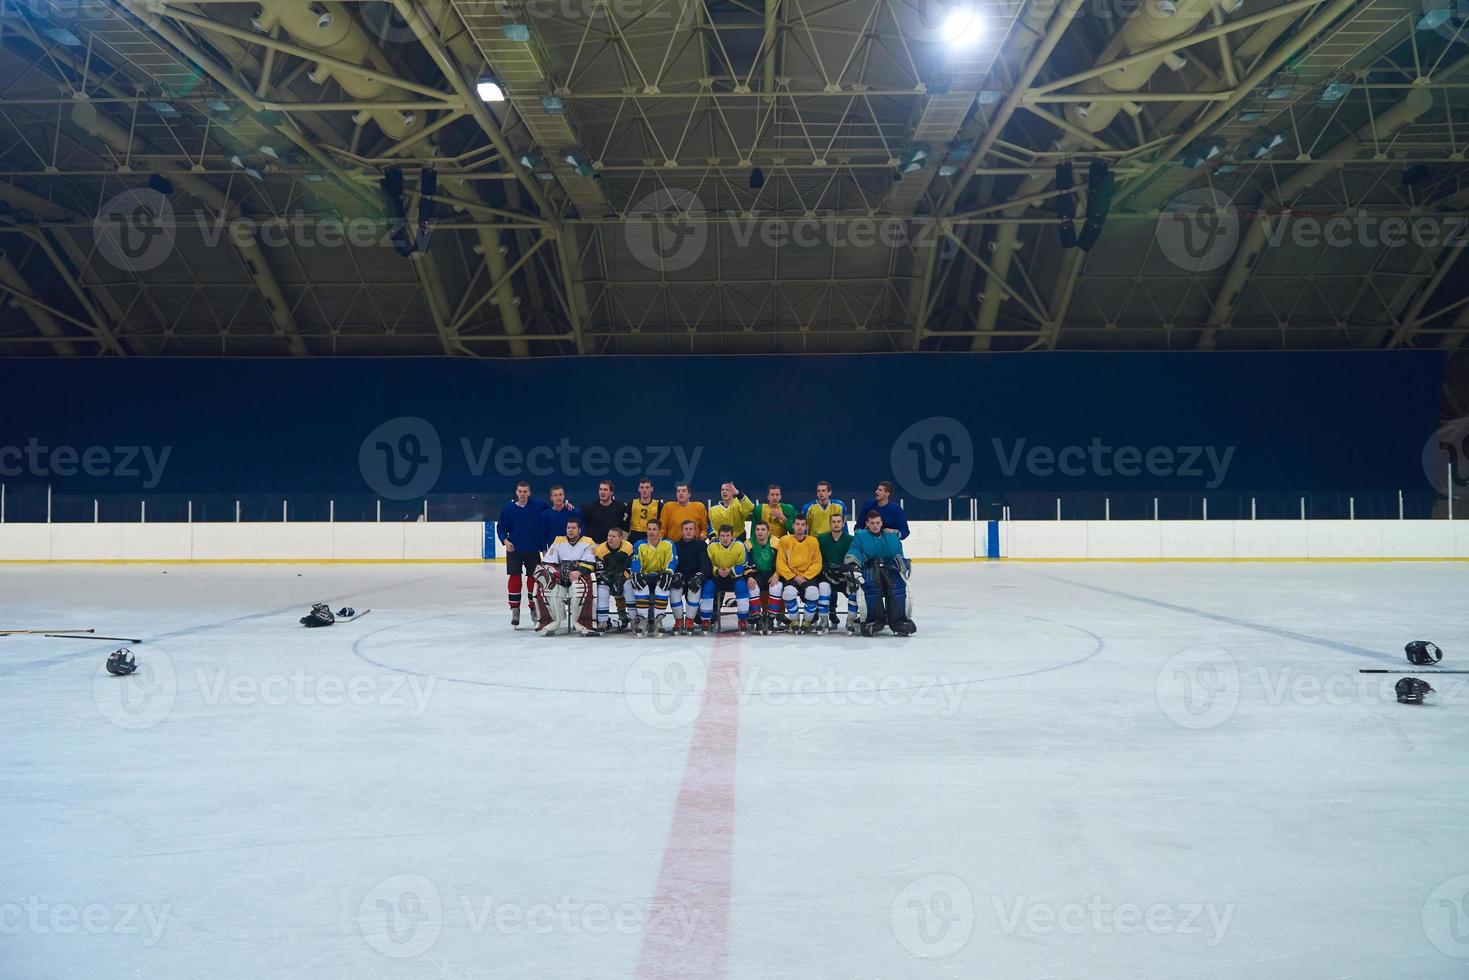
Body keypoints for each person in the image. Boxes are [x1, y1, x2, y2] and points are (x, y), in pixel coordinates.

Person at [845, 510, 916, 636]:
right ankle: (874, 620)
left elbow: (898, 555)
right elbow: (855, 553)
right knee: (872, 586)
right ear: (867, 523)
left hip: (890, 570)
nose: (875, 525)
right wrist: (853, 566)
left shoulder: (891, 537)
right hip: (869, 569)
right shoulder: (861, 536)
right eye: (872, 523)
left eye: (877, 522)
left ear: (881, 523)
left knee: (897, 586)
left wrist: (902, 563)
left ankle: (898, 620)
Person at [532, 517, 596, 636]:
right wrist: (555, 572)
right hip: (561, 577)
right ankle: (553, 621)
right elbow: (549, 562)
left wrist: (578, 572)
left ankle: (582, 622)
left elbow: (591, 563)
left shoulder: (588, 542)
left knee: (579, 590)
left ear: (579, 530)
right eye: (568, 528)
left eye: (573, 528)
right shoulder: (558, 541)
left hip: (579, 576)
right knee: (548, 590)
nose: (570, 530)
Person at [497, 481, 548, 628]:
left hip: (533, 549)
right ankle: (515, 609)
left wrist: (566, 507)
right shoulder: (508, 510)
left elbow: (552, 511)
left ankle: (534, 608)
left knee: (534, 579)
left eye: (525, 491)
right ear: (516, 492)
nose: (523, 494)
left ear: (529, 492)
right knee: (514, 578)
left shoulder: (538, 505)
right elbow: (501, 528)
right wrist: (505, 541)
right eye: (520, 491)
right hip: (514, 550)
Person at [776, 515, 830, 634]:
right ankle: (794, 621)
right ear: (793, 526)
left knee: (813, 593)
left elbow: (817, 563)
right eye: (797, 524)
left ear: (806, 527)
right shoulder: (785, 540)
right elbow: (780, 563)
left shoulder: (813, 541)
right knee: (789, 593)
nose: (800, 527)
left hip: (808, 577)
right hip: (791, 576)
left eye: (802, 525)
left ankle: (807, 621)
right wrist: (794, 577)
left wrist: (805, 576)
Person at [629, 518, 677, 637]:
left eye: (654, 529)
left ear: (660, 531)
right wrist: (636, 573)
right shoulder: (639, 545)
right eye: (649, 529)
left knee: (663, 586)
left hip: (660, 575)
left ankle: (657, 621)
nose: (651, 532)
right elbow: (636, 561)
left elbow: (672, 561)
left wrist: (668, 572)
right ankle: (643, 621)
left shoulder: (668, 544)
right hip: (645, 575)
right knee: (640, 586)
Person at [702, 525, 751, 632]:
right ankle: (706, 620)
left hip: (735, 578)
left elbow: (744, 564)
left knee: (742, 588)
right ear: (718, 536)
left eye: (727, 536)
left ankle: (742, 619)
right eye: (722, 536)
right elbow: (706, 564)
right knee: (707, 589)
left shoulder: (740, 545)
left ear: (732, 536)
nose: (725, 538)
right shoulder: (711, 547)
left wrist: (731, 570)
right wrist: (716, 570)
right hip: (717, 577)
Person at [670, 519, 713, 634]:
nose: (688, 532)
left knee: (695, 588)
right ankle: (678, 620)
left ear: (695, 531)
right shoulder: (675, 545)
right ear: (681, 531)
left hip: (695, 577)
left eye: (691, 529)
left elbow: (706, 565)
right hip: (680, 577)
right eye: (686, 529)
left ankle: (689, 620)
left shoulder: (701, 545)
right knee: (675, 590)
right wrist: (674, 575)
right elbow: (672, 563)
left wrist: (700, 577)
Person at [817, 511, 858, 632]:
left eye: (839, 522)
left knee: (854, 593)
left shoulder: (850, 539)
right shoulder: (822, 539)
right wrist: (825, 569)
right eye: (833, 522)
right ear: (830, 524)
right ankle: (823, 621)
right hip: (828, 575)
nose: (836, 524)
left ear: (843, 523)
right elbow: (819, 558)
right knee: (823, 590)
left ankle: (850, 620)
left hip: (845, 575)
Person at [593, 526, 635, 633]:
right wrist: (610, 579)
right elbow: (600, 572)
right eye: (609, 536)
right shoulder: (600, 549)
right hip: (607, 578)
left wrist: (621, 579)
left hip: (622, 576)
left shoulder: (628, 547)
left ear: (621, 538)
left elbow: (630, 568)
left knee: (628, 587)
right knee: (602, 591)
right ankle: (602, 621)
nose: (610, 538)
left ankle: (634, 620)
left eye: (614, 536)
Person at [744, 520, 781, 633]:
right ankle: (757, 619)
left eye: (763, 529)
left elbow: (782, 562)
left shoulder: (776, 542)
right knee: (752, 588)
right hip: (756, 574)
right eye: (757, 529)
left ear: (768, 531)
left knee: (777, 587)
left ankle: (770, 619)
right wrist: (749, 577)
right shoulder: (748, 543)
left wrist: (777, 574)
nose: (760, 532)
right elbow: (745, 563)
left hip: (772, 574)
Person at [580, 479, 629, 545]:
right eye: (601, 489)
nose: (602, 492)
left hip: (613, 548)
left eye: (605, 490)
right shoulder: (589, 508)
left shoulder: (621, 508)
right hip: (594, 547)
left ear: (611, 492)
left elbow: (625, 528)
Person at [627, 478, 663, 545]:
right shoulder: (632, 503)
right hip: (634, 536)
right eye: (642, 487)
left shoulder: (658, 505)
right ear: (639, 489)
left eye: (647, 487)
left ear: (651, 489)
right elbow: (626, 523)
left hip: (651, 536)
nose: (644, 490)